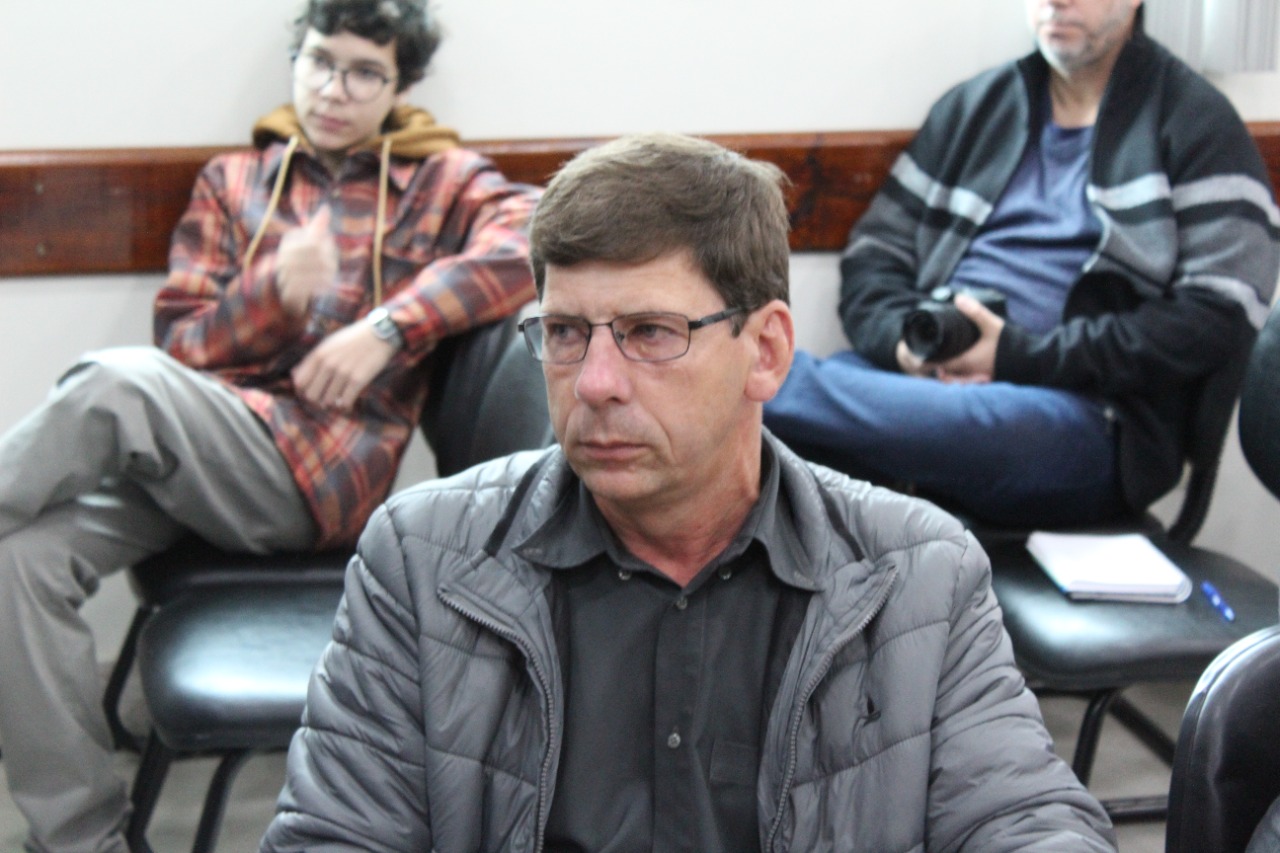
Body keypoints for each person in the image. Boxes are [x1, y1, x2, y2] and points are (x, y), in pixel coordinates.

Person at [260, 132, 1116, 851]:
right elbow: (334, 835)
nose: (594, 382)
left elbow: (1026, 819)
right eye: (565, 332)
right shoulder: (420, 556)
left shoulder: (921, 572)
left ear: (766, 352)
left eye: (649, 332)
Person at [0, 0, 539, 849]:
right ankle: (83, 835)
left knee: (116, 384)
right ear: (299, 61)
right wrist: (273, 296)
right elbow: (183, 341)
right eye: (321, 62)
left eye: (364, 73)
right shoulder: (234, 180)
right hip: (204, 452)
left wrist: (387, 326)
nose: (335, 88)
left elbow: (534, 237)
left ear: (398, 89)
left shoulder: (440, 180)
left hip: (316, 477)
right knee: (20, 558)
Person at [764, 0, 1280, 527]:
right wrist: (907, 344)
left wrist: (1014, 356)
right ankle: (765, 386)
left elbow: (1213, 318)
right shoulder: (974, 108)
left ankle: (751, 375)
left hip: (1084, 416)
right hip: (924, 387)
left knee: (780, 401)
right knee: (781, 432)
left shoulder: (1197, 123)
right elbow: (876, 255)